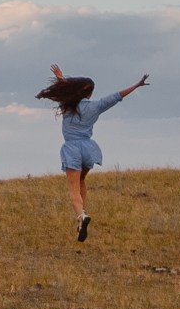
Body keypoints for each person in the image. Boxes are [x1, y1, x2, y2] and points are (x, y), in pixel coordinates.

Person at [37, 63, 148, 242]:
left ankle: (81, 216)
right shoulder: (96, 106)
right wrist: (136, 85)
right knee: (82, 179)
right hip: (89, 149)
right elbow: (117, 96)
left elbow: (66, 90)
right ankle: (83, 215)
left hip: (72, 148)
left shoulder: (68, 104)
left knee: (73, 190)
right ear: (90, 93)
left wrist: (60, 78)